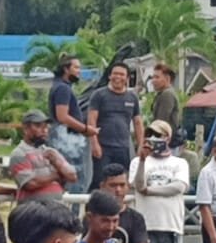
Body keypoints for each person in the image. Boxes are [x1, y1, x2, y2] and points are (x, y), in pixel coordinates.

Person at [87, 63, 144, 190]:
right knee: (100, 180)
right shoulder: (99, 95)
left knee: (121, 180)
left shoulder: (132, 97)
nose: (118, 77)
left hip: (123, 148)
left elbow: (138, 123)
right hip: (103, 147)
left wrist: (141, 145)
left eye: (122, 74)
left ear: (127, 78)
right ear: (109, 76)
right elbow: (91, 120)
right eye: (115, 74)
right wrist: (94, 143)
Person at [48, 55, 95, 189]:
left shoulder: (59, 86)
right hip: (67, 139)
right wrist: (85, 129)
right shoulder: (63, 88)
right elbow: (62, 116)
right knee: (76, 179)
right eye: (76, 67)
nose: (79, 71)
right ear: (66, 69)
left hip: (64, 137)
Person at [8, 110, 76, 201]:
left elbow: (72, 176)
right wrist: (56, 176)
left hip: (56, 205)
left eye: (46, 126)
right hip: (33, 207)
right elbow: (30, 184)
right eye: (38, 126)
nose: (44, 130)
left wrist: (56, 163)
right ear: (25, 129)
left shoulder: (51, 152)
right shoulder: (19, 153)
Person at [149, 63, 181, 136]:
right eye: (153, 77)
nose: (153, 80)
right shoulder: (162, 93)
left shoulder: (167, 94)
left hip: (166, 138)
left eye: (157, 77)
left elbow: (161, 122)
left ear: (167, 79)